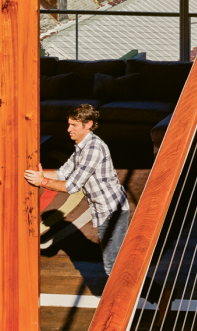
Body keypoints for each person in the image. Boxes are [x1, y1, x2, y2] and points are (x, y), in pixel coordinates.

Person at [24, 104, 130, 275]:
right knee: (113, 262)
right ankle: (146, 295)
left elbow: (72, 186)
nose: (68, 129)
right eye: (69, 124)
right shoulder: (82, 146)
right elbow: (63, 172)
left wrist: (42, 182)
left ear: (88, 124)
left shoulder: (93, 149)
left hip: (113, 211)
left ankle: (149, 295)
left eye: (74, 125)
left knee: (114, 265)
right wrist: (42, 173)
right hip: (104, 210)